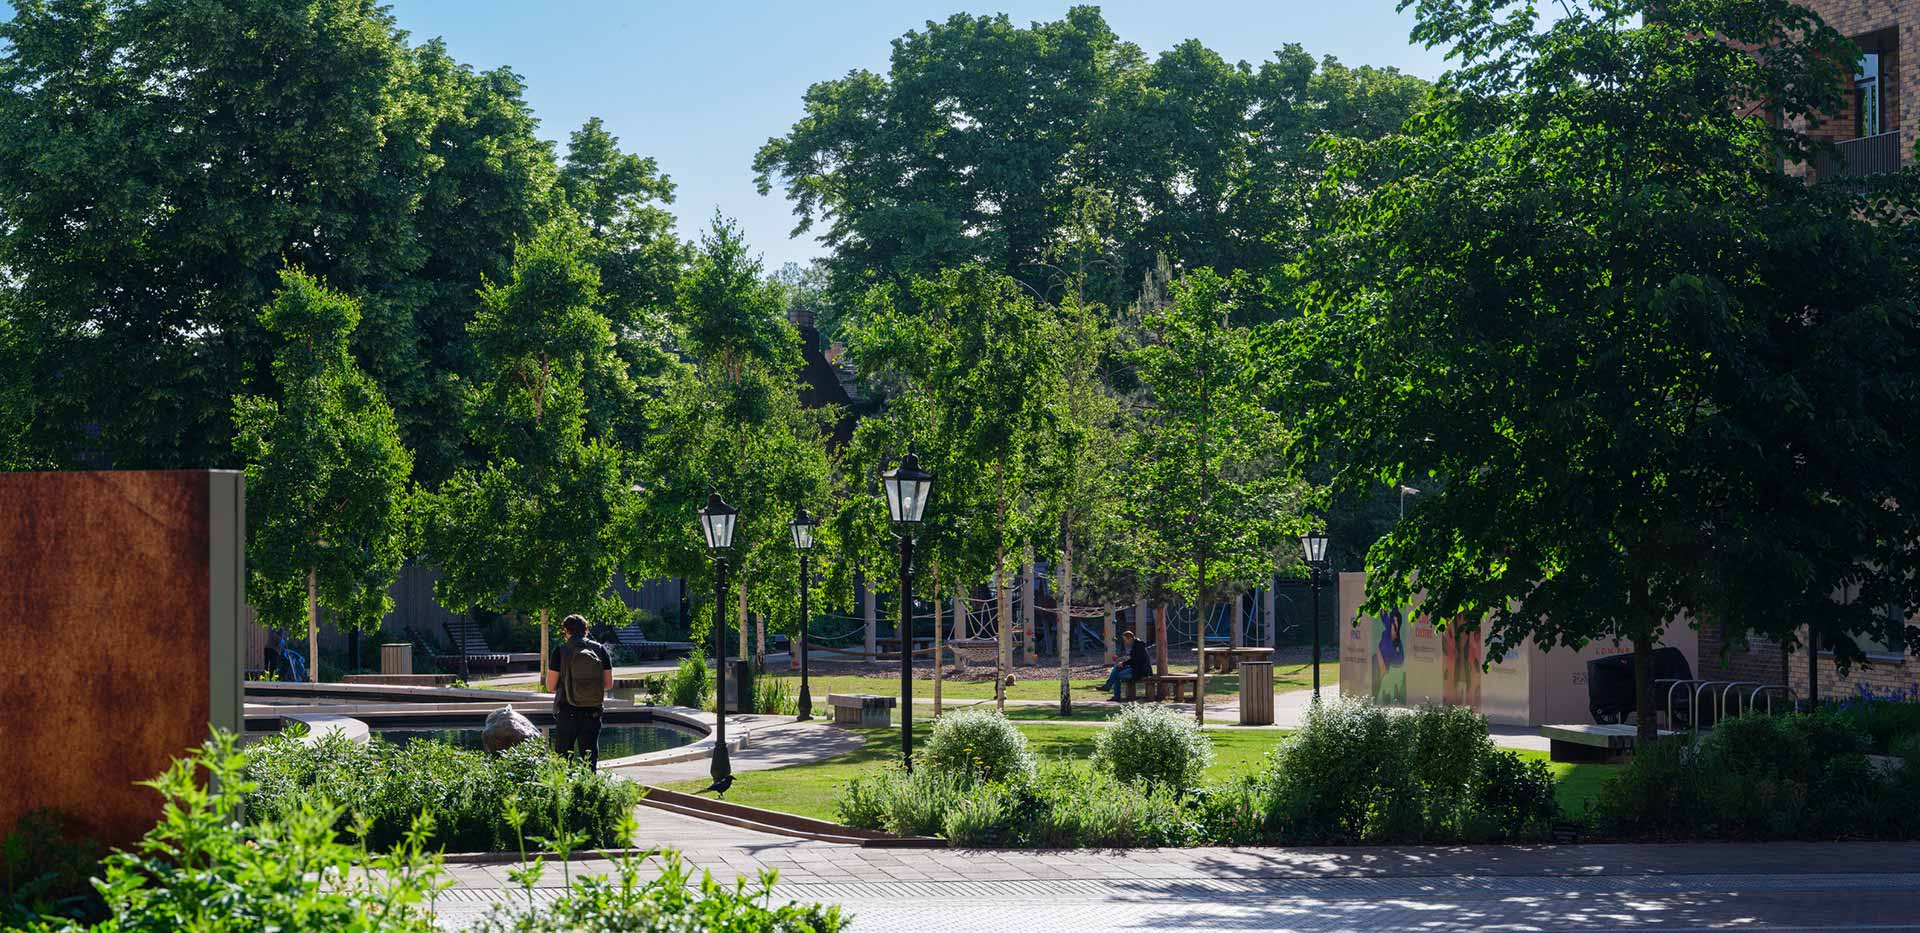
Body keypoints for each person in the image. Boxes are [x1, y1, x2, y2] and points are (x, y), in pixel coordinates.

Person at [547, 613, 614, 769]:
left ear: (566, 631)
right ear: (586, 630)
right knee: (589, 757)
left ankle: (564, 790)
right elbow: (608, 684)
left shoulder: (561, 651)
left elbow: (550, 686)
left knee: (563, 759)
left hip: (567, 710)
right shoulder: (600, 650)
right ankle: (588, 790)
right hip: (593, 711)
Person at [1101, 630, 1153, 701]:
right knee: (1117, 668)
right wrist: (1122, 662)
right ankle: (1108, 686)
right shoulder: (1135, 645)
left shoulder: (1138, 646)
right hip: (1135, 667)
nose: (1125, 642)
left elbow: (1136, 660)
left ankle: (1116, 696)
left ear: (1130, 638)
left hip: (1140, 671)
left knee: (1118, 675)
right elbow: (1133, 658)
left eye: (1125, 640)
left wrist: (1123, 663)